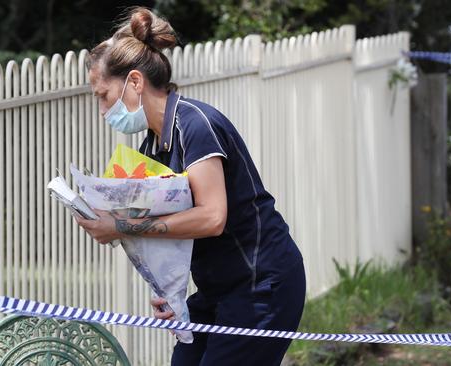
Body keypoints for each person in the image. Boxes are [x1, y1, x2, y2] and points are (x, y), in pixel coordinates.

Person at [74, 7, 306, 366]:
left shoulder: (195, 125)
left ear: (135, 82)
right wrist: (170, 291)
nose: (103, 110)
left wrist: (119, 225)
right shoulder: (150, 146)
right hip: (217, 290)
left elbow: (212, 218)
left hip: (262, 284)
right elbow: (174, 227)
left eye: (104, 95)